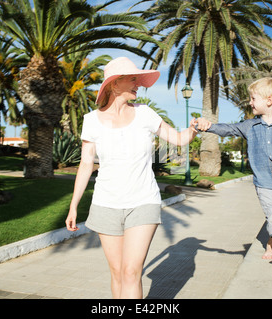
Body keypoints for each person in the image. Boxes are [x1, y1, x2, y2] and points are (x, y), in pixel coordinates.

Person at [65, 57, 198, 299]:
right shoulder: (91, 121)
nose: (139, 84)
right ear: (115, 84)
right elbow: (86, 164)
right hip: (106, 204)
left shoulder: (146, 114)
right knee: (117, 272)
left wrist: (194, 129)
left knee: (130, 271)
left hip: (143, 201)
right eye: (133, 79)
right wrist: (73, 206)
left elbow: (179, 139)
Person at [195, 77, 272, 262]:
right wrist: (209, 126)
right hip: (264, 181)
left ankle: (270, 245)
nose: (249, 102)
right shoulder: (250, 126)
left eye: (253, 99)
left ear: (269, 100)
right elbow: (228, 129)